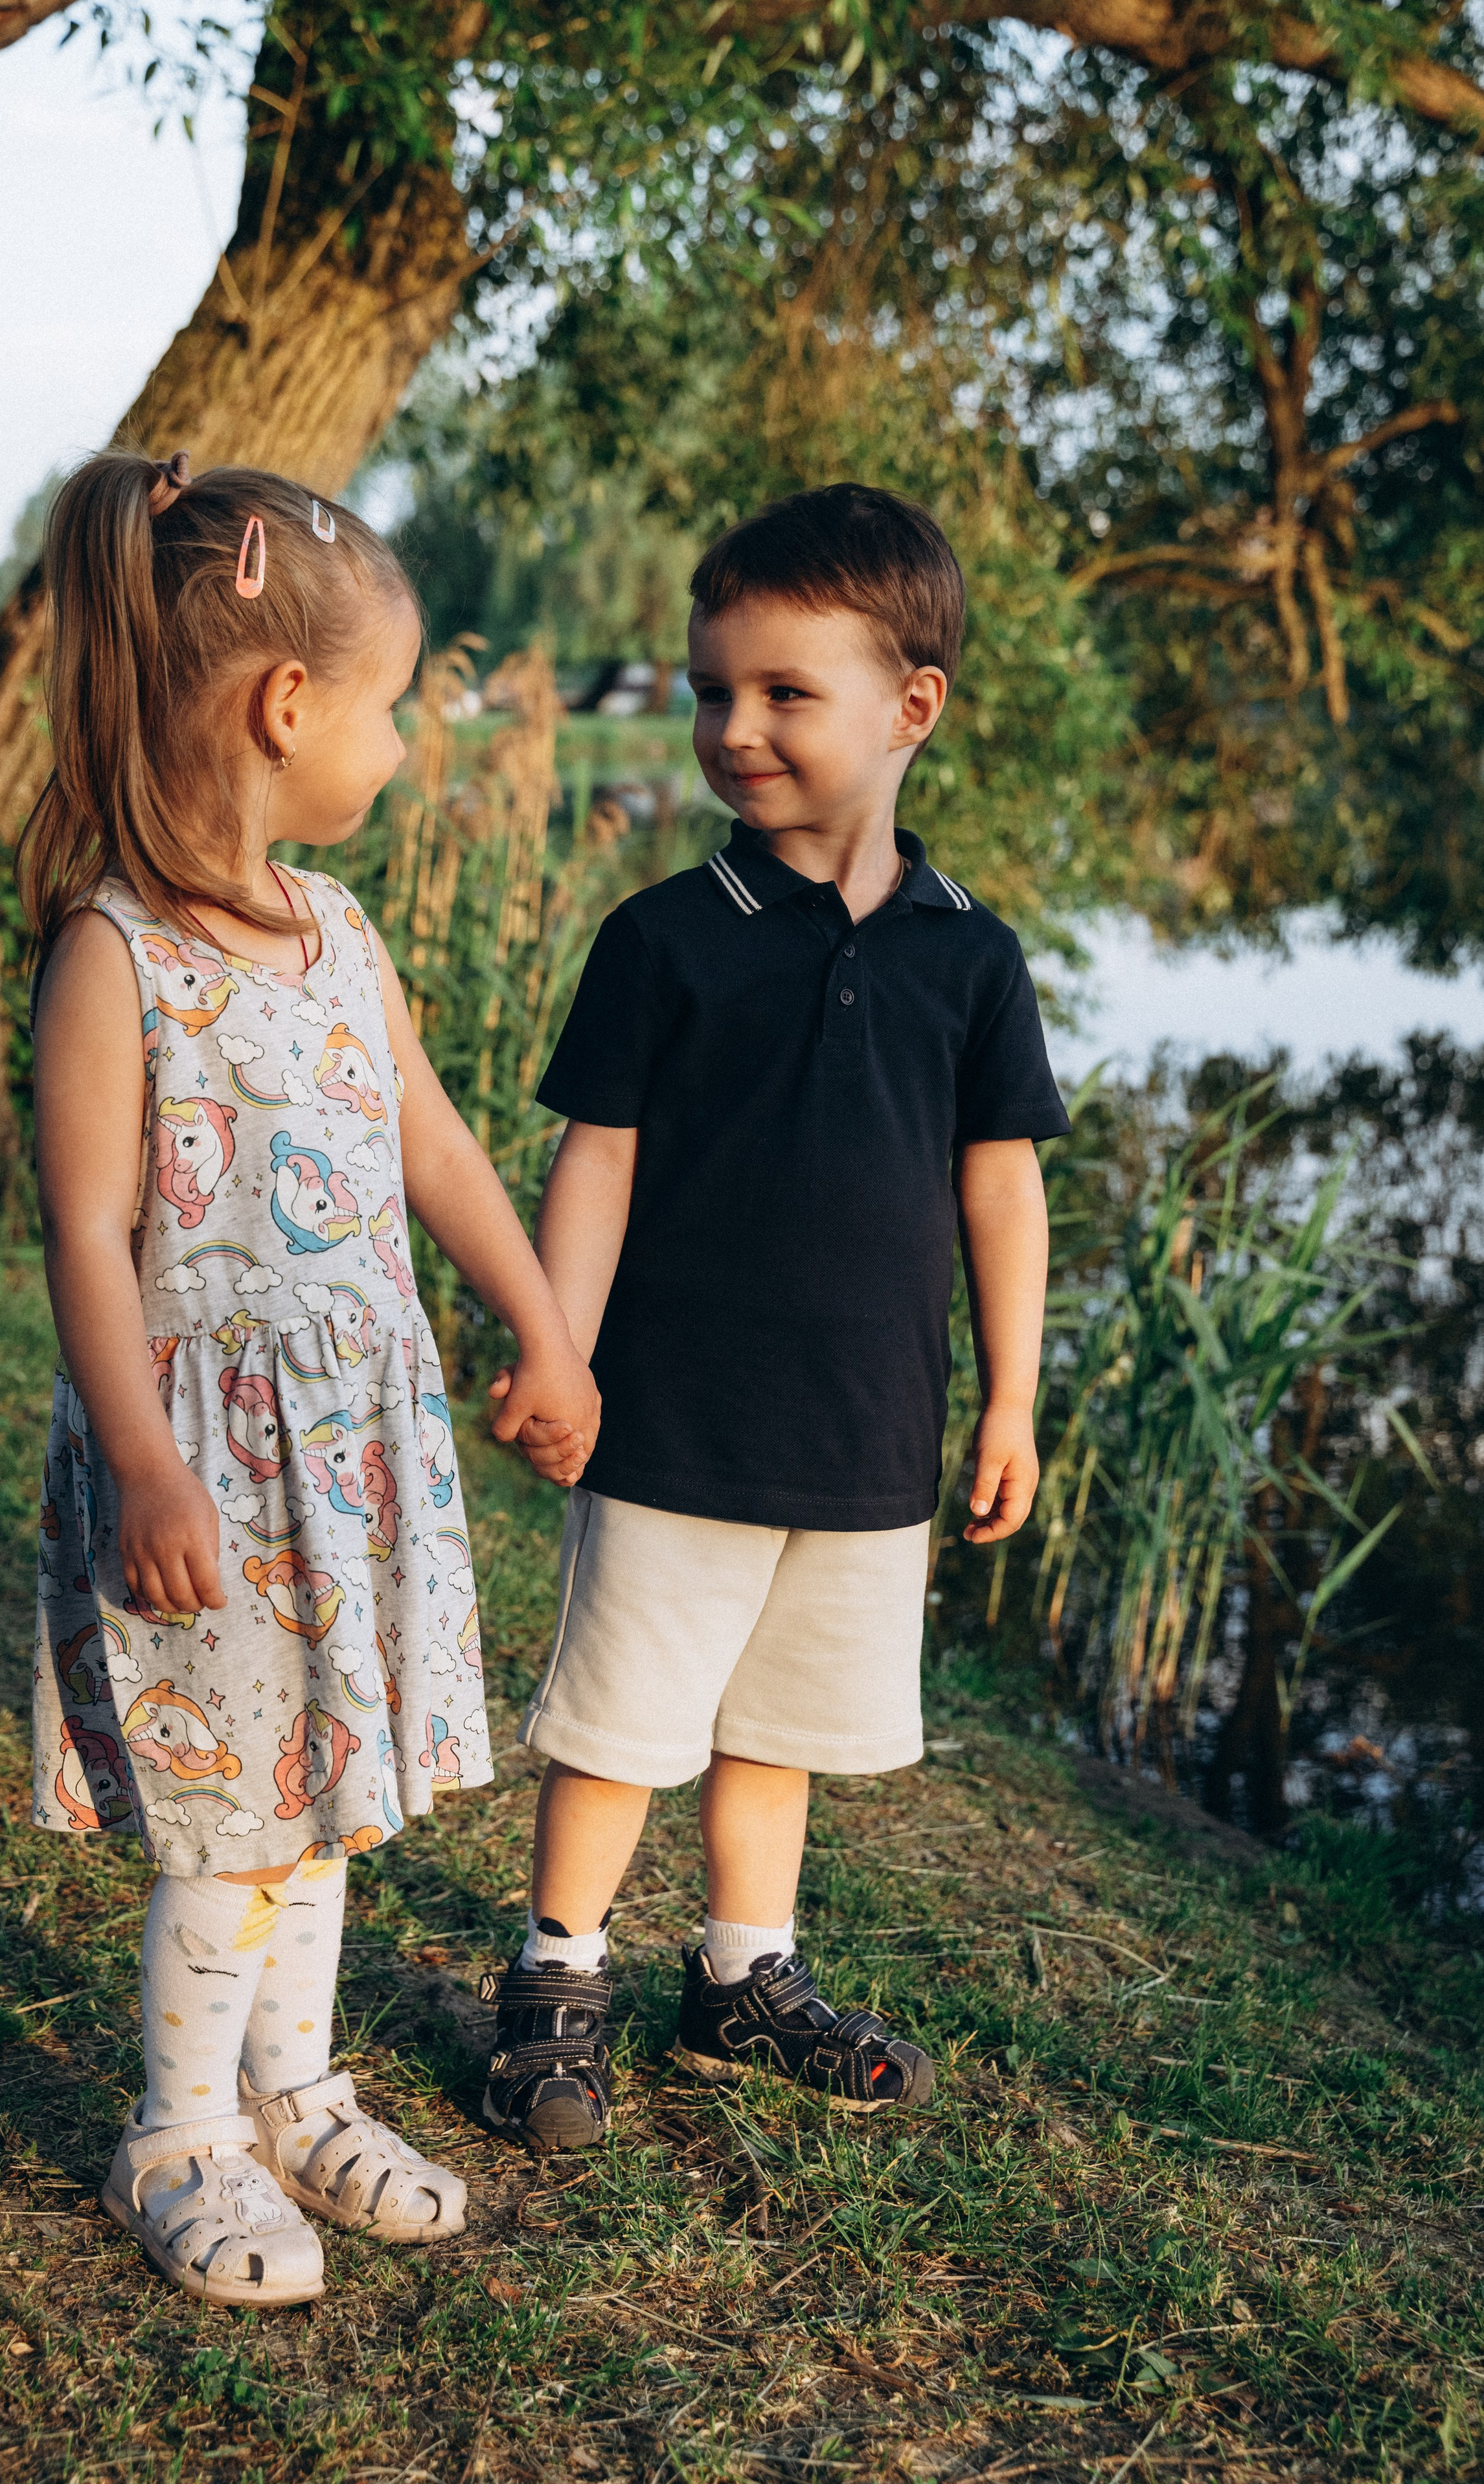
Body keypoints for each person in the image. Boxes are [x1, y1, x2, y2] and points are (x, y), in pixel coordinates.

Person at [25, 450, 598, 2303]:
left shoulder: (339, 931)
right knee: (234, 1811)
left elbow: (428, 1140)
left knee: (329, 1789)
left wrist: (539, 1314)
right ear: (288, 706)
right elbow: (92, 1235)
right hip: (207, 1460)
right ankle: (180, 2131)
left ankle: (294, 2086)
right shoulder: (116, 956)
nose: (411, 748)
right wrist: (140, 1456)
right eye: (398, 710)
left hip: (348, 1460)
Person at [479, 483, 1071, 2153]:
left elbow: (1002, 1186)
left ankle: (746, 1975)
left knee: (783, 1725)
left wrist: (1011, 1400)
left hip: (870, 1430)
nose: (734, 729)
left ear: (912, 708)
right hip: (675, 1417)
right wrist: (561, 1351)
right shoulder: (671, 939)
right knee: (621, 1719)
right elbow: (597, 1161)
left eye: (783, 693)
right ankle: (556, 1975)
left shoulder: (974, 958)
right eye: (710, 692)